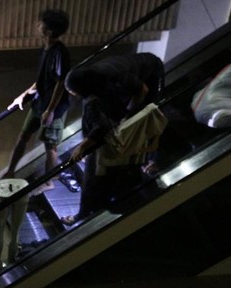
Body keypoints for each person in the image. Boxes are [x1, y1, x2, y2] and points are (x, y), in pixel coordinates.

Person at [62, 52, 165, 225]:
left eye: (73, 92)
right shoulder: (97, 84)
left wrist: (128, 116)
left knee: (148, 115)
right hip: (128, 80)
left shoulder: (113, 76)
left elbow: (142, 91)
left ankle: (153, 160)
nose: (72, 95)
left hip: (150, 72)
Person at [5, 9, 71, 195]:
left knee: (50, 146)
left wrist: (50, 110)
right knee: (23, 136)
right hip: (39, 102)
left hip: (54, 108)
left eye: (41, 24)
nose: (37, 26)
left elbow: (61, 82)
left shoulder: (59, 52)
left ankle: (50, 181)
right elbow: (42, 79)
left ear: (49, 31)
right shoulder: (47, 48)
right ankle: (11, 170)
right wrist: (24, 94)